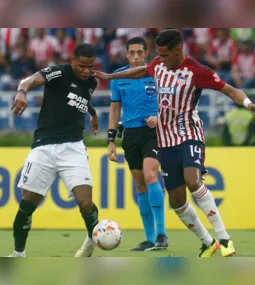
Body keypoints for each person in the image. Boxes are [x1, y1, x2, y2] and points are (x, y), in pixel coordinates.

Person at [93, 29, 255, 257]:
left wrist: (248, 104)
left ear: (178, 50)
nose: (160, 60)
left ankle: (224, 239)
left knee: (192, 180)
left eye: (164, 55)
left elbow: (230, 90)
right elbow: (142, 71)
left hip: (189, 133)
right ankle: (207, 242)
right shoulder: (158, 65)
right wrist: (110, 77)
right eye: (159, 55)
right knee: (176, 201)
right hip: (166, 140)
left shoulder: (196, 71)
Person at [9, 43, 100, 257]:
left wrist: (93, 112)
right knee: (27, 205)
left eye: (90, 66)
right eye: (82, 66)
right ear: (72, 61)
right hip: (44, 145)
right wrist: (22, 92)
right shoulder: (59, 72)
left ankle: (91, 240)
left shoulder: (92, 82)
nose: (86, 71)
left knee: (85, 202)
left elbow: (80, 99)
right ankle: (18, 254)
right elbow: (28, 80)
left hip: (73, 146)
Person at [108, 37, 167, 251]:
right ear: (126, 54)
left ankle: (162, 234)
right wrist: (111, 140)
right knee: (140, 184)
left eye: (139, 52)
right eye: (131, 52)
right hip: (130, 134)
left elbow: (171, 101)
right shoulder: (118, 77)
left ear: (146, 53)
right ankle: (150, 238)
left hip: (153, 132)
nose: (135, 56)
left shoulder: (157, 73)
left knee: (151, 174)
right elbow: (115, 109)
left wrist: (159, 117)